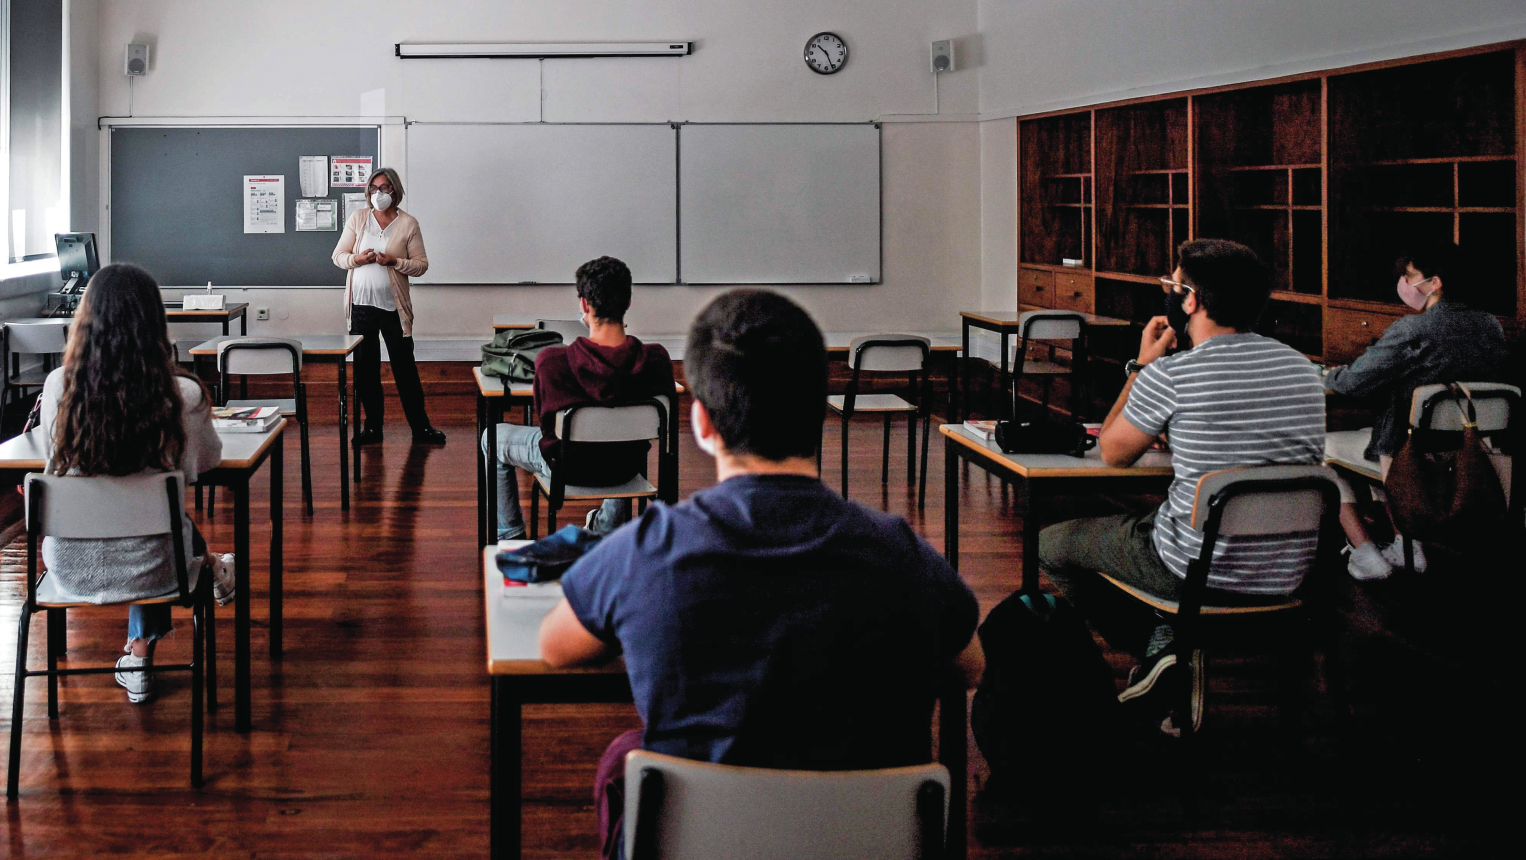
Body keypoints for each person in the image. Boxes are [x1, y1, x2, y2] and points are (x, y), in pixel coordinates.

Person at [537, 289, 983, 860]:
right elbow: (970, 665)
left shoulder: (647, 549)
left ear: (700, 422)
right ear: (819, 405)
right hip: (868, 843)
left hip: (700, 841)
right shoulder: (900, 553)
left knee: (623, 759)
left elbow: (555, 646)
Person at [1038, 238, 1326, 709]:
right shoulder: (1303, 371)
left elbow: (1113, 452)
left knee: (1051, 545)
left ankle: (1164, 651)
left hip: (1195, 569)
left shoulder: (1171, 374)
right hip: (1289, 570)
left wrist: (1140, 367)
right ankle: (1172, 650)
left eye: (1173, 285)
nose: (1170, 294)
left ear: (1190, 300)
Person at [38, 262, 235, 705]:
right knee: (161, 519)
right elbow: (205, 464)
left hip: (67, 566)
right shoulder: (182, 394)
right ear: (155, 322)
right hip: (156, 567)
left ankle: (140, 653)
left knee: (154, 517)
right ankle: (206, 570)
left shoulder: (58, 387)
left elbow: (54, 464)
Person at [1322, 242, 1511, 580]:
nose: (1404, 284)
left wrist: (1327, 373)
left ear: (1434, 282)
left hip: (1410, 459)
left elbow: (1352, 382)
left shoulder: (1413, 329)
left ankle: (1366, 552)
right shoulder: (1490, 326)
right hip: (1472, 456)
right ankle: (1404, 542)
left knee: (1324, 449)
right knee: (1378, 441)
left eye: (1410, 276)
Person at [481, 256, 676, 541]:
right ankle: (607, 526)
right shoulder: (657, 361)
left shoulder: (553, 363)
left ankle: (511, 536)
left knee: (492, 438)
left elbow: (548, 429)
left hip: (568, 469)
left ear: (584, 305)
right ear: (628, 302)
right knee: (619, 438)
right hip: (627, 469)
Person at [332, 167, 445, 446]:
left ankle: (421, 429)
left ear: (394, 191)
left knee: (405, 370)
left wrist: (394, 262)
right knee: (366, 372)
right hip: (361, 308)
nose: (377, 193)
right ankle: (373, 429)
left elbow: (421, 265)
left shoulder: (408, 224)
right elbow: (338, 256)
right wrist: (358, 259)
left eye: (384, 188)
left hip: (394, 310)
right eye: (373, 188)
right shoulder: (358, 218)